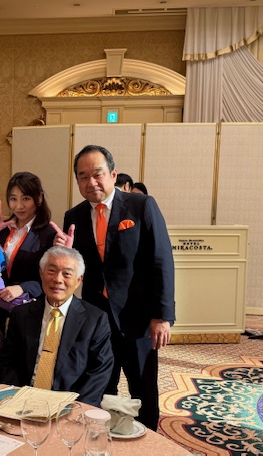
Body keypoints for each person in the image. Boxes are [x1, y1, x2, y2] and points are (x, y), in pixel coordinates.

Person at [51, 144, 175, 430]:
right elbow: (77, 270)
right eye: (83, 177)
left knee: (143, 388)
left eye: (97, 174)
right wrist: (67, 253)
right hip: (96, 319)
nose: (91, 182)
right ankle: (102, 439)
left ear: (113, 174)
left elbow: (161, 261)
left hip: (138, 318)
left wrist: (162, 316)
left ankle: (147, 441)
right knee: (100, 385)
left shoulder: (141, 206)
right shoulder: (74, 216)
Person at [0, 246, 113, 407]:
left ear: (78, 280)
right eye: (51, 271)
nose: (58, 279)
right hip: (23, 398)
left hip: (71, 403)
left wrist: (74, 407)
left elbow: (100, 371)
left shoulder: (95, 319)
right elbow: (7, 361)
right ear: (41, 274)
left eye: (67, 274)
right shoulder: (21, 314)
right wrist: (15, 396)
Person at [0, 172, 57, 334]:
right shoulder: (2, 229)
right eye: (13, 199)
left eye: (25, 198)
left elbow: (51, 278)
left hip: (30, 308)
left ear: (39, 198)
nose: (19, 206)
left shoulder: (49, 234)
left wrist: (22, 287)